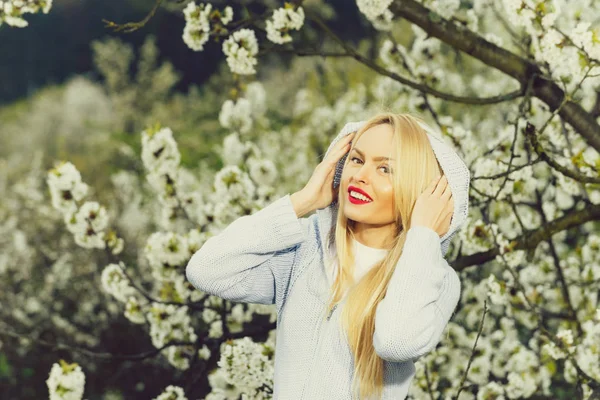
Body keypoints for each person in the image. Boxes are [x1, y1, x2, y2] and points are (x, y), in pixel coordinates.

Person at [186, 112, 471, 399]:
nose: (360, 176)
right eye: (356, 160)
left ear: (420, 191)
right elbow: (207, 270)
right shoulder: (305, 248)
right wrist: (302, 201)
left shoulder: (437, 280)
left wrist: (423, 236)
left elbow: (396, 342)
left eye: (385, 169)